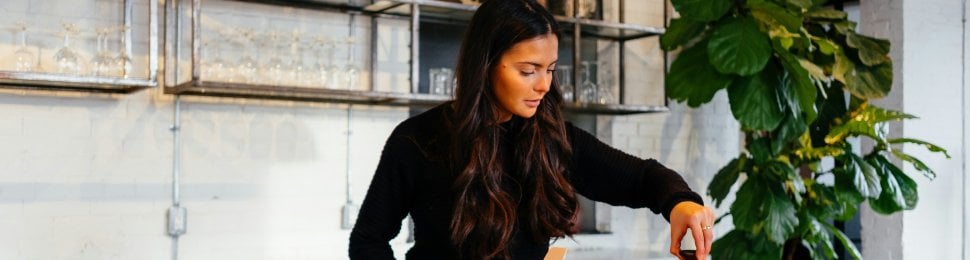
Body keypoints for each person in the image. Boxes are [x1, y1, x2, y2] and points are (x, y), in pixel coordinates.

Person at [349, 0, 715, 259]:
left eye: (550, 69)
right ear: (485, 64)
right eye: (528, 71)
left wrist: (680, 203)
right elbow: (368, 241)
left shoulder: (553, 138)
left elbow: (643, 179)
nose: (543, 85)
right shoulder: (417, 140)